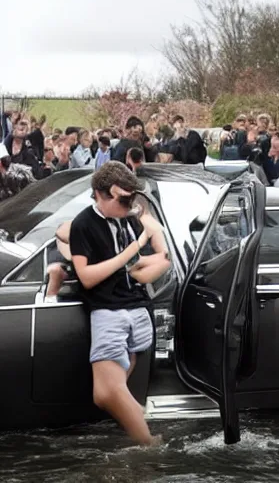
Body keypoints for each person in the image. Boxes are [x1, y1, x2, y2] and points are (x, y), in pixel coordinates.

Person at [69, 161, 170, 445]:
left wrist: (153, 241)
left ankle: (147, 443)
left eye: (132, 199)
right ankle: (146, 438)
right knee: (107, 393)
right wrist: (134, 249)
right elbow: (86, 277)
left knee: (111, 391)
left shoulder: (125, 219)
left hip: (135, 309)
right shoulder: (84, 224)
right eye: (123, 199)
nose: (129, 205)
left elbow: (151, 258)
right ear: (100, 194)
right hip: (110, 310)